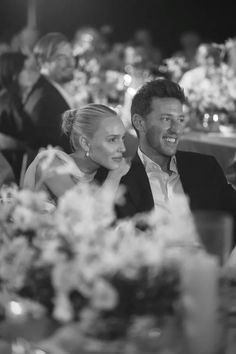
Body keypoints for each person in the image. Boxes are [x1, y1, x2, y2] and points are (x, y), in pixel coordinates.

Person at [96, 79, 236, 242]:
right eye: (166, 119)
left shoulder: (204, 167)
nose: (176, 129)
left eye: (180, 120)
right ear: (140, 123)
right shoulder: (117, 178)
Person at [23, 104, 130, 203]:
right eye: (112, 140)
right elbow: (87, 216)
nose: (123, 148)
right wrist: (114, 177)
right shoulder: (50, 163)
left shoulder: (100, 174)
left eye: (122, 138)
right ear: (86, 144)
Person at [23, 32, 76, 155]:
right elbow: (66, 149)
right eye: (61, 58)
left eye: (71, 56)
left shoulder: (49, 91)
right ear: (43, 62)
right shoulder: (45, 101)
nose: (71, 63)